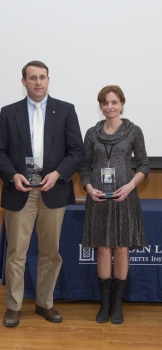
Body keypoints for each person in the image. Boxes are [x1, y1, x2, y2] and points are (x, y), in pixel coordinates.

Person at [0, 60, 85, 327]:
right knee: (16, 253)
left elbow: (76, 151)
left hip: (52, 190)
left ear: (48, 80)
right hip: (20, 190)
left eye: (42, 77)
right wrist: (13, 175)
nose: (37, 82)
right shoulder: (8, 112)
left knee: (50, 252)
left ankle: (45, 304)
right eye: (32, 78)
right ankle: (13, 306)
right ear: (23, 81)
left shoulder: (66, 111)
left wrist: (57, 174)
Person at [78, 85, 149, 324]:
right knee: (102, 248)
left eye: (114, 102)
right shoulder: (91, 133)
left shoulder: (133, 131)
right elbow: (84, 167)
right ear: (100, 106)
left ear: (121, 104)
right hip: (98, 198)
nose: (110, 107)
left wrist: (129, 186)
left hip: (124, 197)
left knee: (121, 248)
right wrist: (88, 188)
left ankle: (117, 304)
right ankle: (104, 303)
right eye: (105, 103)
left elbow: (143, 166)